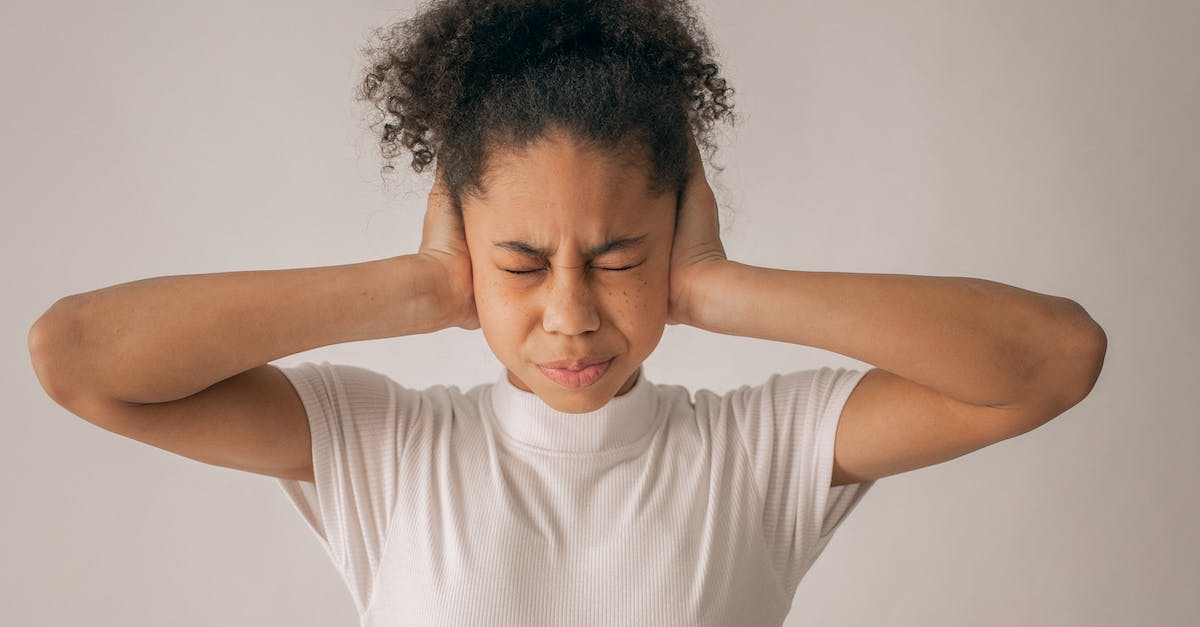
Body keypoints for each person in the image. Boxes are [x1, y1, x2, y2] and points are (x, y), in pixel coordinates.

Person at [26, 0, 1107, 625]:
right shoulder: (386, 451)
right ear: (465, 249)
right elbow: (77, 357)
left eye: (619, 255)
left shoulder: (760, 453)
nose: (572, 314)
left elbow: (1054, 358)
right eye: (523, 262)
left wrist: (718, 288)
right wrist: (423, 288)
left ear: (676, 232)